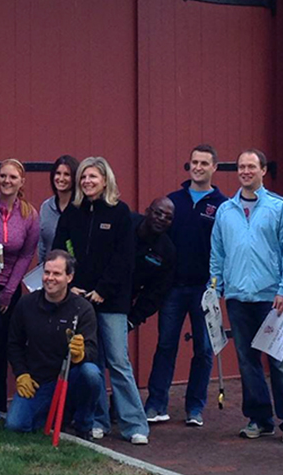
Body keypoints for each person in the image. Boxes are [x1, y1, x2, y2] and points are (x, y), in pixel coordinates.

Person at [210, 149, 283, 443]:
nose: (246, 171)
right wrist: (214, 288)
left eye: (252, 166)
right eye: (241, 167)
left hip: (270, 298)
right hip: (238, 297)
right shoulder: (226, 210)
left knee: (280, 360)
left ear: (263, 170)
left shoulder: (278, 207)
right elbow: (218, 253)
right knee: (247, 361)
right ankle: (259, 418)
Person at [54, 156, 148, 444]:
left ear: (106, 180)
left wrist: (103, 290)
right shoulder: (73, 212)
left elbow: (124, 259)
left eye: (93, 177)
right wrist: (73, 286)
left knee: (119, 361)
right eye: (84, 177)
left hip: (112, 300)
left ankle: (135, 426)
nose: (87, 182)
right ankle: (98, 420)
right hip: (81, 301)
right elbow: (60, 249)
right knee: (92, 363)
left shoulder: (120, 213)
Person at [145, 145, 226, 426]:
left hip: (205, 289)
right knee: (165, 345)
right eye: (194, 162)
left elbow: (225, 248)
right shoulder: (173, 202)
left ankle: (195, 408)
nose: (198, 167)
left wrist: (218, 285)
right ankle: (156, 404)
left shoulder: (223, 205)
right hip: (173, 288)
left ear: (214, 167)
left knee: (203, 350)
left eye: (204, 163)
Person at [5, 250, 102, 438]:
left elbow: (92, 351)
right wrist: (21, 373)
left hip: (69, 378)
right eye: (47, 272)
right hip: (37, 381)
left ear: (69, 277)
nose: (50, 278)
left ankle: (83, 426)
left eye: (56, 274)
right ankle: (56, 415)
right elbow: (14, 344)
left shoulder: (82, 309)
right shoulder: (26, 304)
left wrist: (80, 354)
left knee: (91, 374)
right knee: (15, 425)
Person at [0, 158, 39, 419]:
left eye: (12, 177)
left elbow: (27, 255)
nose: (7, 181)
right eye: (3, 176)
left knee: (6, 344)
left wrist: (8, 291)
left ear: (21, 182)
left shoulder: (29, 214)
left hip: (10, 289)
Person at [128, 198, 176, 332]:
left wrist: (134, 319)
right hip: (96, 292)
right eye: (158, 213)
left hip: (122, 305)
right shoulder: (126, 223)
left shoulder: (167, 251)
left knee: (115, 352)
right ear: (147, 212)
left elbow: (156, 291)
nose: (161, 219)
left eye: (168, 218)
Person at [38, 155, 79, 264]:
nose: (61, 178)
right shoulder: (46, 207)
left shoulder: (82, 208)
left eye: (67, 174)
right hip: (52, 272)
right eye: (58, 173)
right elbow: (42, 244)